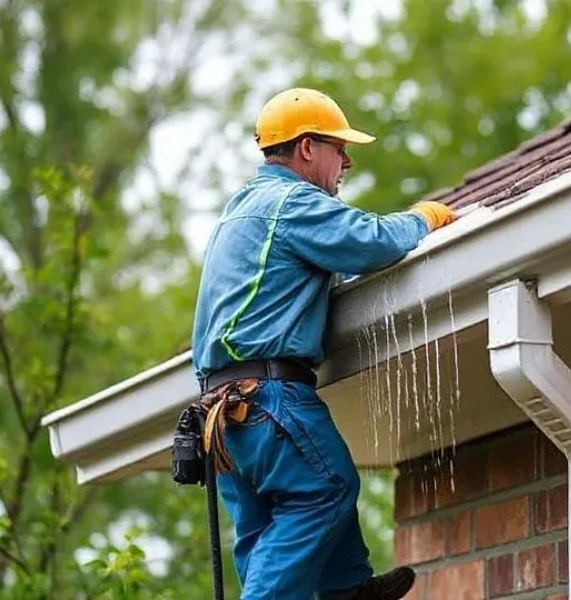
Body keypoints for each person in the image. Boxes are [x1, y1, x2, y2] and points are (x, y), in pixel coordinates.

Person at [191, 88, 457, 600]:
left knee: (266, 528)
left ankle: (349, 589)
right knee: (326, 488)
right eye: (340, 148)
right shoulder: (292, 202)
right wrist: (422, 217)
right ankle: (347, 591)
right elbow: (372, 242)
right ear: (308, 148)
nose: (348, 161)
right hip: (268, 398)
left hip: (222, 417)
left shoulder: (239, 211)